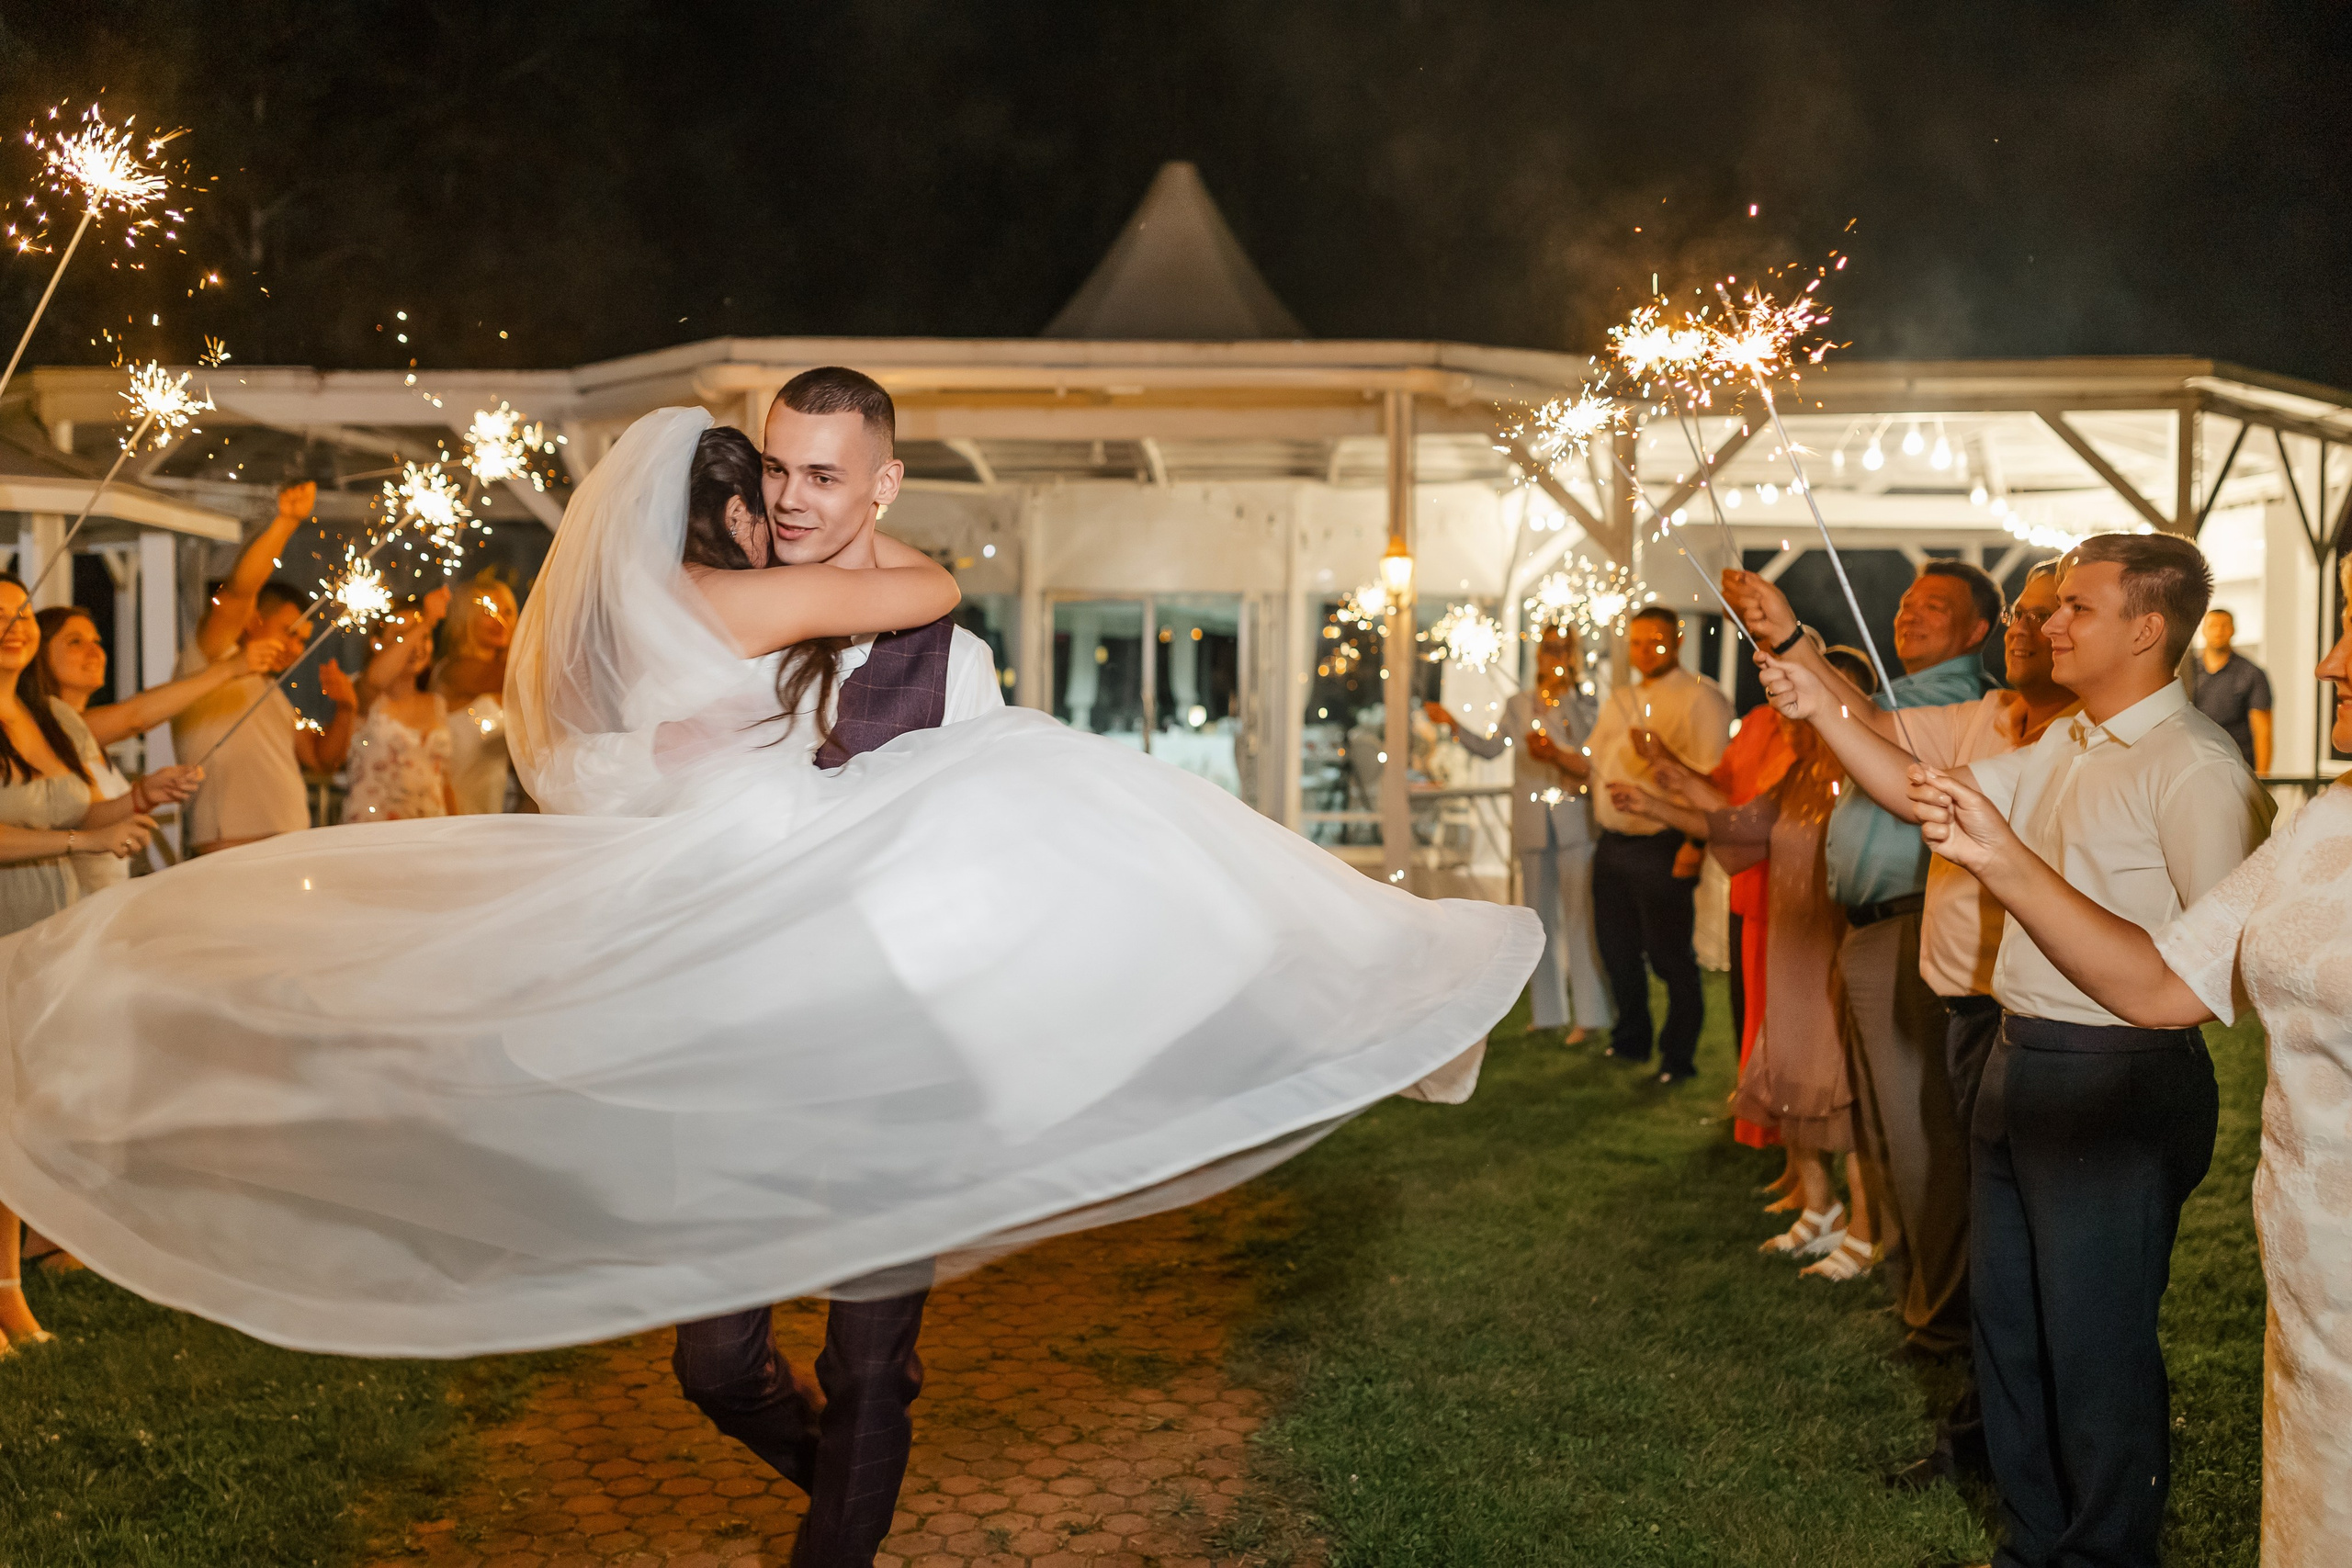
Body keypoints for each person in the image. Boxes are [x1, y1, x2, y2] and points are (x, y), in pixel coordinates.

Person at [0, 402, 1538, 1568]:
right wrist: (865, 533)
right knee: (714, 1355)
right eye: (760, 498)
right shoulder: (724, 605)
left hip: (860, 1004)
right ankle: (840, 1491)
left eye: (802, 492)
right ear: (712, 517)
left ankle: (842, 1528)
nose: (775, 520)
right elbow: (919, 589)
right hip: (735, 1008)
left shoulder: (603, 629)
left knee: (875, 1336)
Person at [1909, 554, 2352, 1568]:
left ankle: (2103, 1550)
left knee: (2094, 1347)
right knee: (2013, 1330)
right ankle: (2035, 1544)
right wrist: (1809, 672)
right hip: (2030, 1055)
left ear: (2147, 631)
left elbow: (2196, 982)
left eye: (2074, 606)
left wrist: (2003, 863)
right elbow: (2169, 976)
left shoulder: (2195, 768)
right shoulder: (2323, 815)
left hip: (2114, 1075)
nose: (2327, 662)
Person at [1743, 559, 2082, 1488]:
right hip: (1967, 1002)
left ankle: (2016, 1447)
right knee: (1970, 1203)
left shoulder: (2079, 749)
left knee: (2016, 1236)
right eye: (2021, 611)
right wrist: (1789, 655)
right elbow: (1878, 741)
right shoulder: (1987, 718)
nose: (2025, 625)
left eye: (2050, 612)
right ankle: (1981, 1416)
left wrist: (1803, 672)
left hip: (2035, 1017)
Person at [1729, 558, 1999, 1364]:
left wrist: (1793, 642)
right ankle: (1920, 1296)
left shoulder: (1960, 704)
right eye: (1907, 601)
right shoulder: (1898, 694)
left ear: (1978, 631)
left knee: (1920, 1132)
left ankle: (1942, 1319)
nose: (1909, 615)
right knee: (1888, 1127)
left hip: (1916, 924)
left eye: (1936, 607)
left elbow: (1861, 723)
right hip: (1869, 924)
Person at [1613, 644, 1885, 1281]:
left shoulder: (1871, 773)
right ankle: (1819, 1210)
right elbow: (1740, 825)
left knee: (1839, 1085)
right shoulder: (1800, 772)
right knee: (1787, 1067)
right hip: (1791, 942)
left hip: (1835, 943)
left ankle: (1867, 1230)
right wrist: (1655, 806)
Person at [0, 574, 200, 1358]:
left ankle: (11, 1295)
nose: (15, 625)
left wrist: (144, 793)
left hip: (45, 925)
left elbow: (79, 811)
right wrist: (82, 844)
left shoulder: (46, 714)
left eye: (21, 612)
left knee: (17, 1117)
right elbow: (61, 834)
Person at [1424, 620, 1611, 1043]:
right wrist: (1453, 723)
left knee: (1580, 918)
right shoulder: (1518, 702)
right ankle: (1547, 1013)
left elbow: (1588, 749)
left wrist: (1561, 714)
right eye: (1548, 648)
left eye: (1562, 649)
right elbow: (1491, 748)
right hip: (1532, 822)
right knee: (1537, 919)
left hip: (1573, 820)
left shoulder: (1583, 701)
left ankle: (1591, 1014)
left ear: (1573, 656)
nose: (1553, 657)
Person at [24, 604, 280, 894]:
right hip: (73, 903)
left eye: (97, 641)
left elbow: (88, 816)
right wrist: (230, 668)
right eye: (76, 642)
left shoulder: (81, 735)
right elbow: (136, 717)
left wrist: (144, 795)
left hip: (105, 897)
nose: (95, 651)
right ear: (37, 653)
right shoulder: (46, 727)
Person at [1586, 605, 1732, 1083]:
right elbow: (1595, 765)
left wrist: (1694, 845)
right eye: (1638, 642)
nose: (1645, 651)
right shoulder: (1620, 698)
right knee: (1617, 950)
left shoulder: (1701, 698)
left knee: (1669, 955)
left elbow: (1715, 781)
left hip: (1663, 842)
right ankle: (1630, 1039)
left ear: (1679, 641)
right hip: (1612, 844)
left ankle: (1677, 1057)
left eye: (1656, 641)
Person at [170, 481, 358, 852]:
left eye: (303, 640)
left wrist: (347, 708)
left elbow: (320, 760)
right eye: (288, 632)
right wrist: (285, 524)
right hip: (227, 847)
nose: (296, 648)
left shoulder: (270, 691)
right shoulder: (212, 659)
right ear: (255, 620)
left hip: (290, 844)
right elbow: (238, 591)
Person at [342, 600, 455, 823]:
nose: (416, 646)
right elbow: (375, 680)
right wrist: (426, 622)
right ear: (377, 644)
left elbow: (444, 781)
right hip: (373, 827)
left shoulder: (436, 703)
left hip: (429, 829)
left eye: (425, 637)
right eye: (403, 635)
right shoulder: (362, 692)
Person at [431, 572, 519, 813]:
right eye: (488, 612)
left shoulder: (508, 676)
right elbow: (518, 678)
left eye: (507, 612)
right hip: (452, 806)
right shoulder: (455, 670)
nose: (500, 620)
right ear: (465, 619)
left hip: (494, 802)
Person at [2186, 605, 2273, 773]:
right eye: (2213, 626)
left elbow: (2263, 732)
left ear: (2233, 630)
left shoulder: (2251, 673)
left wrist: (2263, 781)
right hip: (2194, 767)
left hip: (2237, 769)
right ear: (2203, 631)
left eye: (2224, 626)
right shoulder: (2187, 672)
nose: (2218, 631)